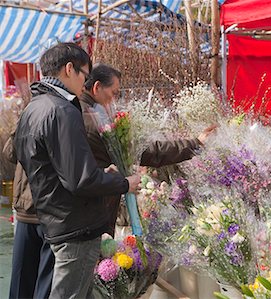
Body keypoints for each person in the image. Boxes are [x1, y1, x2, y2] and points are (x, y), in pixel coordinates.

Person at [13, 43, 141, 299]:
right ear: (69, 69)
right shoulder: (62, 110)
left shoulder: (33, 108)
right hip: (74, 224)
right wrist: (124, 183)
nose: (84, 83)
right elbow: (81, 179)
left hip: (52, 217)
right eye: (84, 73)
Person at [80, 63, 216, 235]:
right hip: (94, 209)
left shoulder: (83, 112)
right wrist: (195, 143)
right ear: (97, 87)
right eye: (114, 93)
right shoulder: (93, 120)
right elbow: (146, 151)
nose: (115, 101)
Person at [4, 130, 54, 299]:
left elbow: (10, 153)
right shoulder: (59, 112)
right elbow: (10, 152)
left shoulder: (30, 115)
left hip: (29, 209)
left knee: (22, 281)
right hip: (47, 209)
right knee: (43, 282)